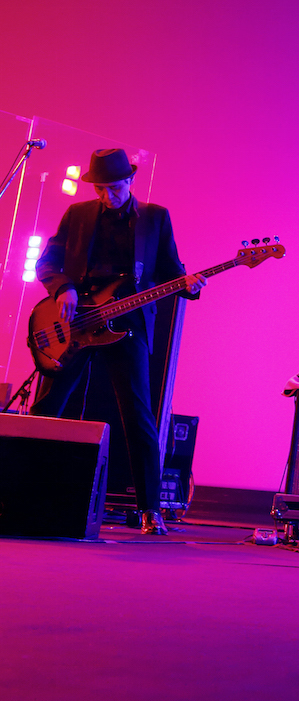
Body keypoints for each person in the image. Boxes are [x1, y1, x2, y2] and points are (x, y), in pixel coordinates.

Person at [33, 149, 205, 535]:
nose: (107, 195)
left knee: (138, 415)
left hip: (127, 325)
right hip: (75, 323)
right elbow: (48, 263)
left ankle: (149, 510)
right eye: (100, 189)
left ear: (130, 181)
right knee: (48, 406)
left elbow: (170, 271)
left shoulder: (155, 218)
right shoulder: (77, 215)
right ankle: (18, 489)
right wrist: (63, 288)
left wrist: (189, 287)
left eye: (113, 187)